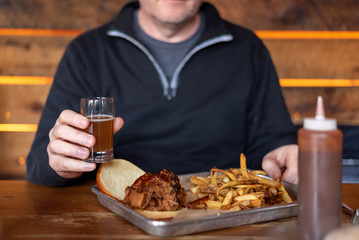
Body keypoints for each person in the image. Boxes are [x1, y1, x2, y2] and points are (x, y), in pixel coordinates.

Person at [26, 0, 298, 187]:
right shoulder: (87, 52)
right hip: (112, 216)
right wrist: (59, 163)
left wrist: (285, 155)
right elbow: (39, 162)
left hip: (222, 217)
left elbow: (274, 142)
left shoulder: (247, 48)